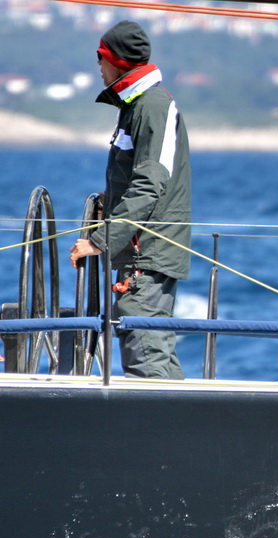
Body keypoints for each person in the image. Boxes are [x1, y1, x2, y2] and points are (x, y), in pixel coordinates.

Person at [69, 20, 192, 380]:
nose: (98, 66)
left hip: (149, 252)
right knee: (153, 347)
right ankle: (179, 432)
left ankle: (160, 434)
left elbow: (150, 184)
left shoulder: (152, 106)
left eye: (101, 57)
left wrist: (98, 241)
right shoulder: (137, 105)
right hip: (144, 248)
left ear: (119, 61)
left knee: (145, 354)